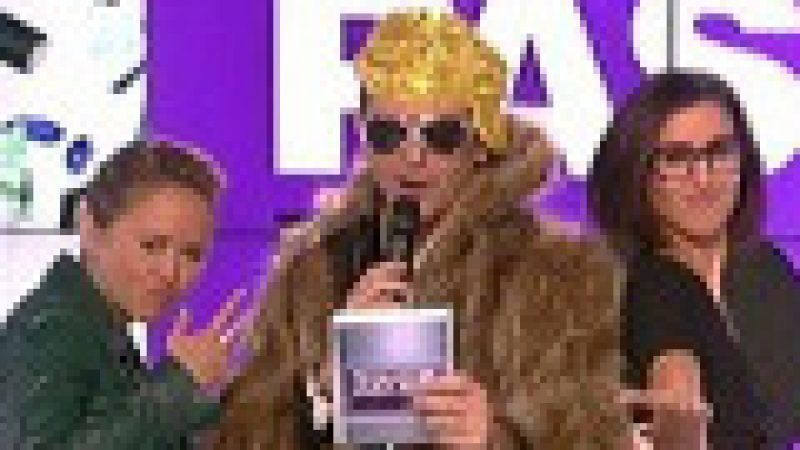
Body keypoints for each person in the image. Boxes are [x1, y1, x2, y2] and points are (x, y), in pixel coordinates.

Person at [210, 9, 627, 449]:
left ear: (480, 145)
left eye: (440, 136)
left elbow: (594, 436)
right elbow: (243, 434)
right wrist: (326, 388)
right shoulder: (313, 268)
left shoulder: (558, 273)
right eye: (388, 134)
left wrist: (494, 438)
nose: (412, 158)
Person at [588, 70, 800, 449]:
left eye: (719, 152)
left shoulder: (765, 268)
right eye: (676, 158)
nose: (702, 178)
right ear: (636, 171)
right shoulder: (635, 286)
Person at [0, 141, 257, 449]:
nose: (170, 272)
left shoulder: (100, 327)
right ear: (90, 227)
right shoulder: (51, 331)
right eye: (152, 246)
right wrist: (178, 388)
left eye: (192, 254)